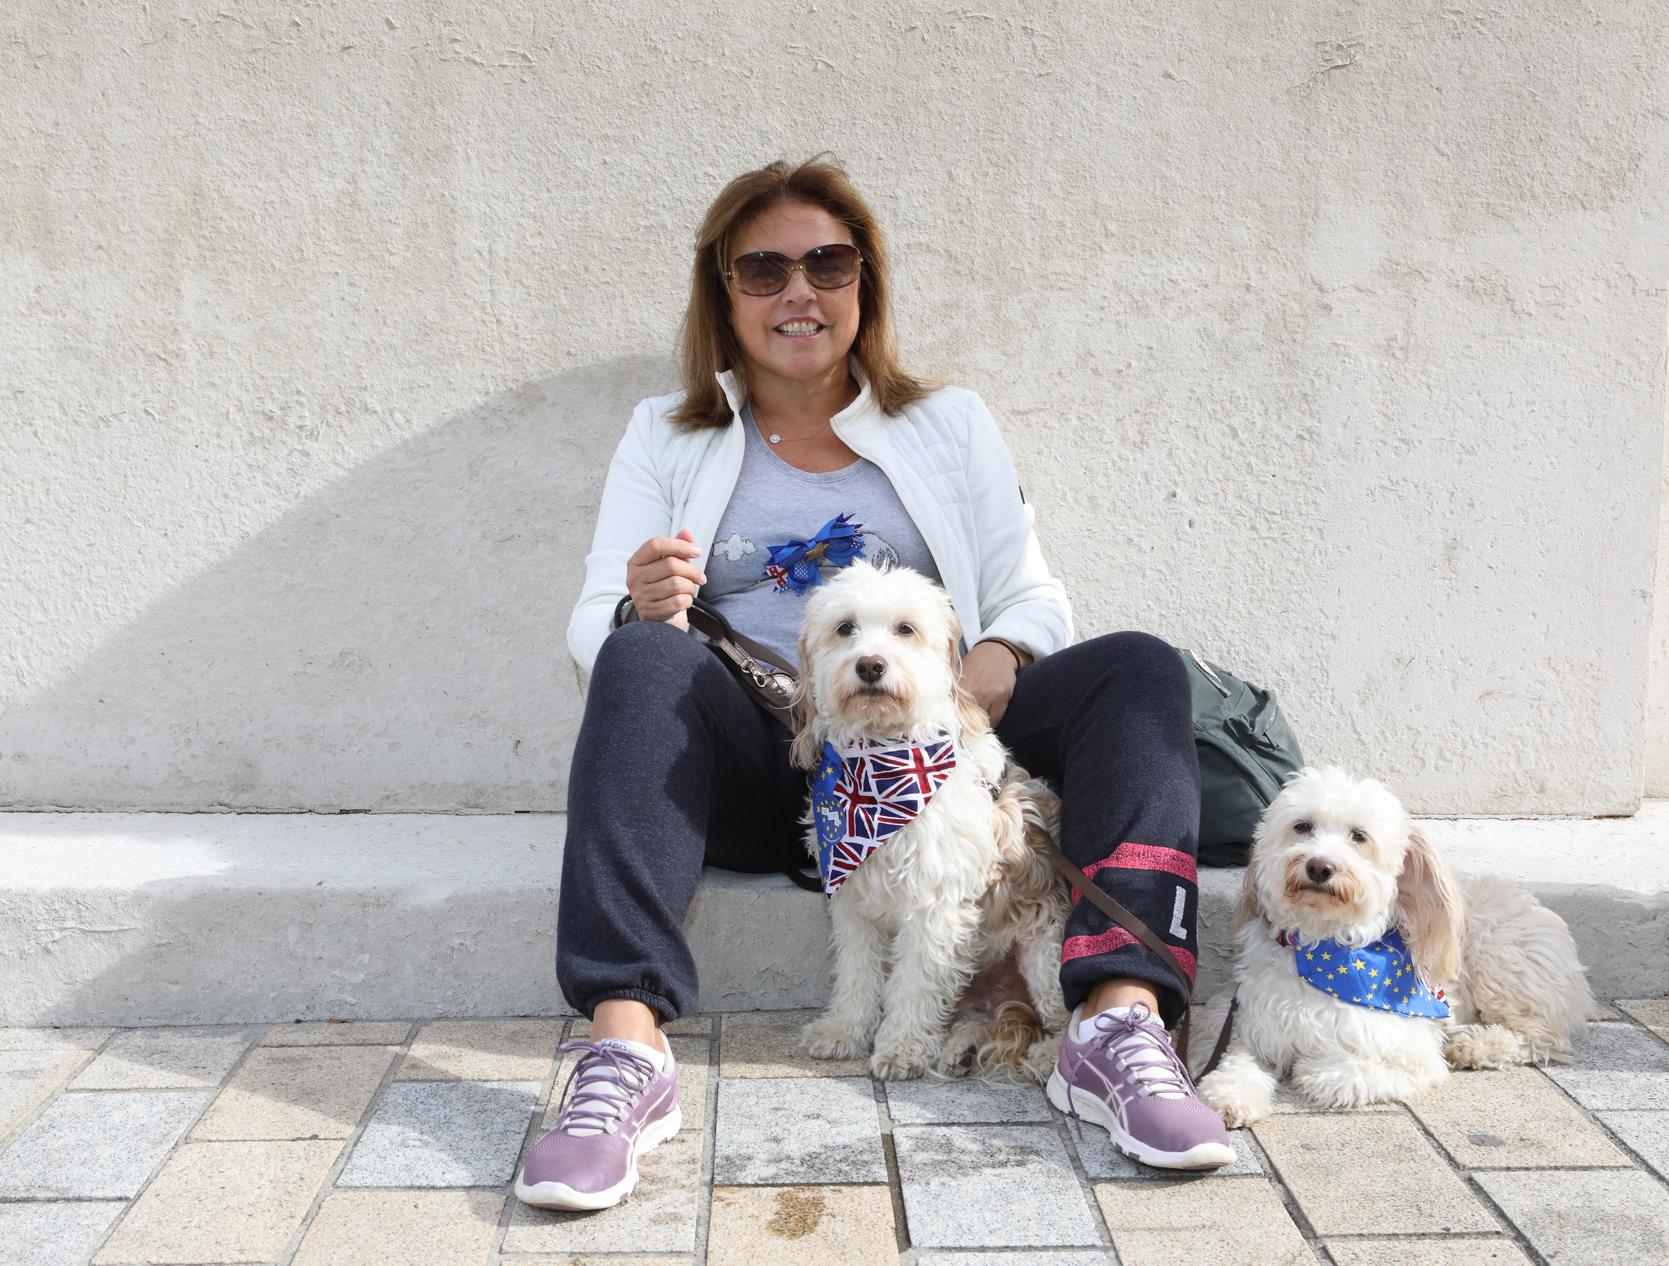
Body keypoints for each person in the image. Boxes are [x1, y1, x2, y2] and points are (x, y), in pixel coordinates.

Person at [514, 156, 1232, 1212]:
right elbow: (590, 633)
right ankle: (622, 1051)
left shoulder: (946, 424)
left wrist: (995, 661)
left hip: (934, 759)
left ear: (864, 285)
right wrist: (637, 603)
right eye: (761, 270)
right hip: (781, 773)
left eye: (826, 263)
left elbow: (1033, 595)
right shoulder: (665, 436)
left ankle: (1118, 1025)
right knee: (637, 652)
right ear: (722, 295)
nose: (797, 291)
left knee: (1135, 665)